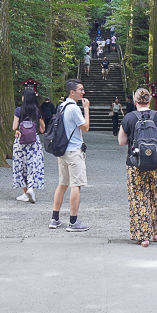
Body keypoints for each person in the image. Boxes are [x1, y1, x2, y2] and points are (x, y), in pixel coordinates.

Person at [119, 87, 157, 247]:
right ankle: (154, 233)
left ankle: (143, 236)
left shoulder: (129, 117)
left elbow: (121, 141)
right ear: (149, 101)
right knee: (154, 197)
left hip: (135, 164)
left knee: (138, 198)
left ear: (135, 102)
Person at [50, 79, 91, 232]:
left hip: (62, 151)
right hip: (74, 151)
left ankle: (54, 219)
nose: (83, 92)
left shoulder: (61, 106)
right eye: (80, 89)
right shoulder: (74, 108)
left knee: (62, 184)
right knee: (75, 185)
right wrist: (86, 108)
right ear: (72, 92)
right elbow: (85, 128)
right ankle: (73, 222)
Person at [12, 89, 46, 203]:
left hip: (20, 142)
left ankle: (26, 192)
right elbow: (43, 128)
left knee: (21, 167)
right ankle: (31, 188)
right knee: (32, 166)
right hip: (34, 142)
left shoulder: (18, 110)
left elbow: (14, 126)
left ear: (24, 98)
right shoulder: (37, 111)